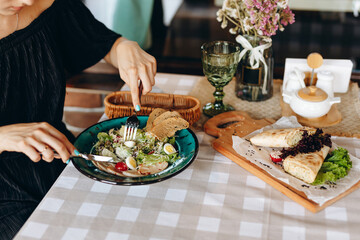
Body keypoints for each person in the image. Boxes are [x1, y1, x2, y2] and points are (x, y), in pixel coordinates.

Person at [0, 0, 156, 238]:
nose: (28, 1)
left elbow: (101, 42)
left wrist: (123, 46)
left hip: (58, 158)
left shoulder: (49, 6)